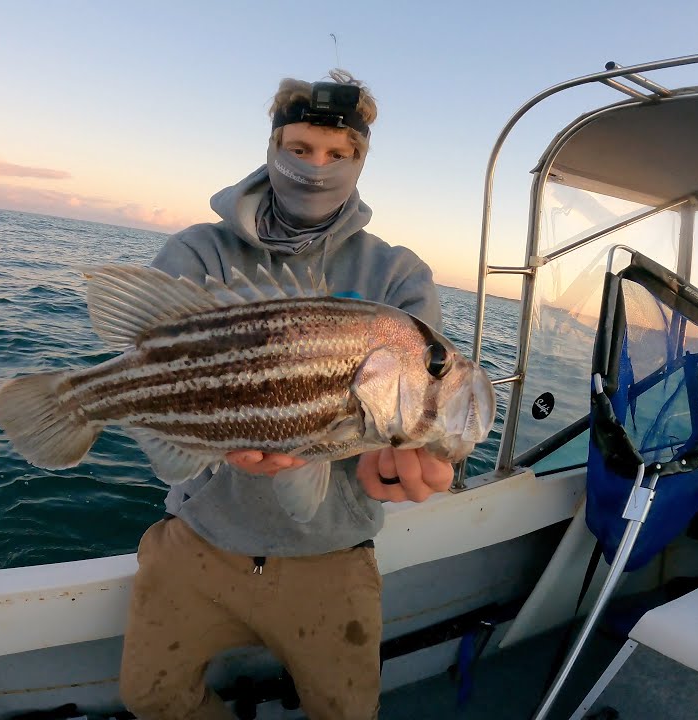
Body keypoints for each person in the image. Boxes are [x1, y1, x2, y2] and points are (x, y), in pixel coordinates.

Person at [118, 69, 453, 720]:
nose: (316, 167)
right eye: (299, 149)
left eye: (338, 154)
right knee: (151, 696)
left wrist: (426, 457)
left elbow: (425, 408)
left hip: (332, 556)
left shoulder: (398, 275)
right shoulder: (199, 250)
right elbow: (149, 367)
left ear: (361, 160)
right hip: (199, 538)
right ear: (272, 146)